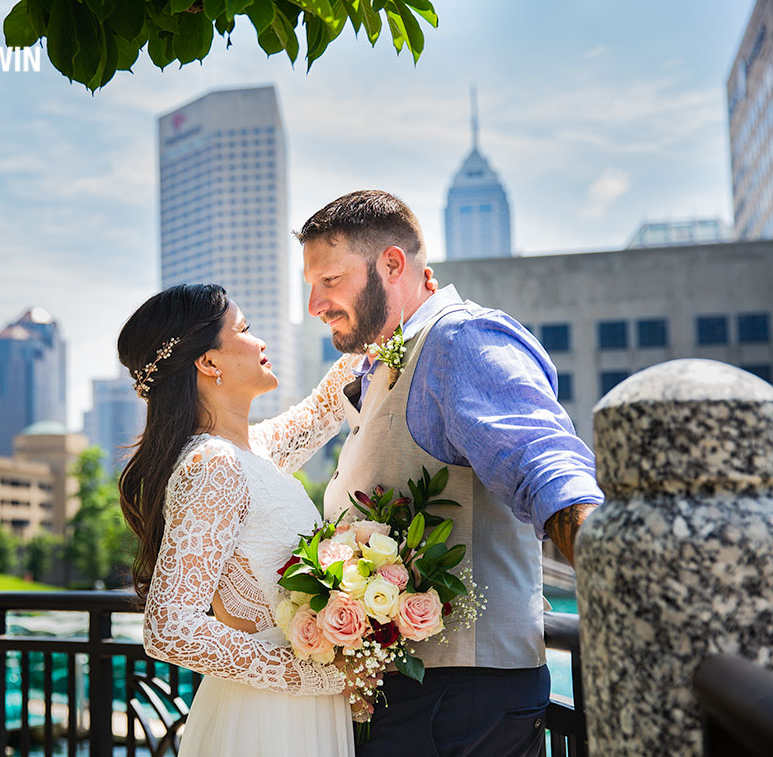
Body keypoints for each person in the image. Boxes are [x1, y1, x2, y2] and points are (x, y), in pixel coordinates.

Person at [298, 189, 603, 757]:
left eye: (330, 280)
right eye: (310, 285)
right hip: (418, 696)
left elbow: (547, 466)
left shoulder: (460, 339)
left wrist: (625, 574)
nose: (314, 302)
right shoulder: (384, 361)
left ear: (392, 264)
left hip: (461, 700)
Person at [117, 277, 436, 757]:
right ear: (208, 362)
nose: (260, 340)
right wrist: (310, 672)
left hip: (298, 708)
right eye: (244, 329)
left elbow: (326, 405)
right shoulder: (214, 467)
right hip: (265, 719)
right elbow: (170, 628)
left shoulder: (253, 451)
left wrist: (402, 298)